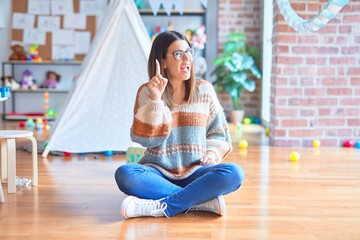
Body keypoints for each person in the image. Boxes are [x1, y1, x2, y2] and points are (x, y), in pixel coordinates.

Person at [115, 31, 245, 218]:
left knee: (234, 173)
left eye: (189, 52)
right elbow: (144, 139)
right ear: (163, 62)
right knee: (126, 174)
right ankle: (200, 200)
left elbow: (219, 134)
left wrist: (211, 153)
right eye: (178, 54)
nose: (187, 58)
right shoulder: (147, 91)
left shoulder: (204, 90)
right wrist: (156, 101)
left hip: (196, 172)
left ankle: (163, 205)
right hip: (158, 172)